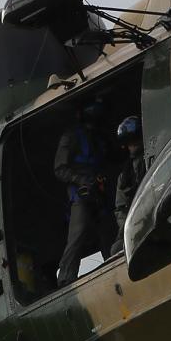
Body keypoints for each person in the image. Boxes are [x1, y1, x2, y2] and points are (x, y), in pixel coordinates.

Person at [54, 99, 116, 285]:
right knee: (78, 234)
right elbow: (59, 169)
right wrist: (81, 181)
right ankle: (66, 277)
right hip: (81, 194)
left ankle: (114, 263)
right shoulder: (71, 137)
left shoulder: (98, 137)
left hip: (99, 191)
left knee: (108, 230)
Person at [110, 115, 145, 255]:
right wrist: (128, 228)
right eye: (130, 142)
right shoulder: (124, 176)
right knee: (116, 250)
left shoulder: (152, 157)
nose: (133, 145)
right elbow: (120, 208)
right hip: (134, 223)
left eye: (135, 141)